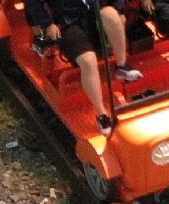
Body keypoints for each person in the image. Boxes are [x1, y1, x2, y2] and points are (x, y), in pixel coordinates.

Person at [25, 0, 143, 130]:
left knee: (111, 14)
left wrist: (119, 9)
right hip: (70, 22)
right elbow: (33, 3)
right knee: (88, 61)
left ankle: (122, 67)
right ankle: (102, 115)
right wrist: (48, 24)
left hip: (95, 13)